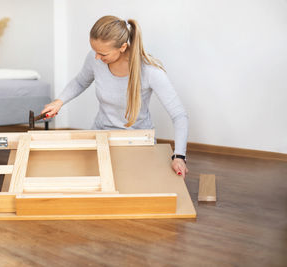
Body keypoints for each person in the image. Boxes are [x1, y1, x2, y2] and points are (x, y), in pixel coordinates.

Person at [41, 15, 189, 178]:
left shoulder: (150, 71)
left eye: (102, 54)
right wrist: (59, 101)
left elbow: (179, 115)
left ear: (123, 47)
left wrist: (179, 156)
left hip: (137, 140)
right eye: (95, 51)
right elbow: (80, 82)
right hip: (101, 134)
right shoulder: (95, 58)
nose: (97, 57)